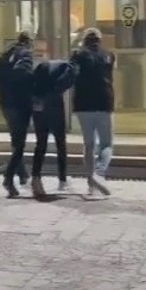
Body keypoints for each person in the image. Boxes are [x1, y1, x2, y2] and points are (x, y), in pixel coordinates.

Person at [70, 28, 115, 198]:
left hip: (83, 105)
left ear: (84, 40)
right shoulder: (109, 55)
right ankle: (99, 172)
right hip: (104, 103)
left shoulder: (77, 56)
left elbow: (71, 74)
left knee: (89, 145)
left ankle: (91, 184)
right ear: (99, 40)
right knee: (106, 144)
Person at [0, 31, 35, 197]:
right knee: (20, 143)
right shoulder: (25, 54)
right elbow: (23, 74)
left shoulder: (3, 56)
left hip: (6, 102)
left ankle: (23, 174)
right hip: (20, 103)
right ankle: (8, 177)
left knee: (16, 139)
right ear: (29, 42)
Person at [29, 59, 77, 197]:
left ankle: (36, 177)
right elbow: (64, 83)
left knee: (41, 144)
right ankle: (62, 180)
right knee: (60, 143)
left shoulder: (43, 66)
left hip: (38, 106)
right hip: (54, 106)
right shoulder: (69, 68)